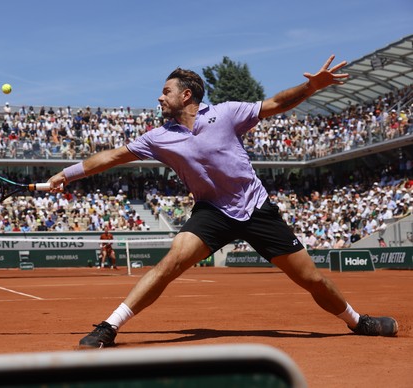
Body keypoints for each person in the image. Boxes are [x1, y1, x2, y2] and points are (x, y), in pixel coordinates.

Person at [47, 55, 398, 349]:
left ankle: (357, 320)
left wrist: (310, 87)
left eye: (165, 92)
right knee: (170, 262)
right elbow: (111, 157)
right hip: (212, 211)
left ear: (186, 95)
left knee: (312, 280)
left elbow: (274, 104)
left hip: (255, 207)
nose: (159, 98)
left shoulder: (227, 113)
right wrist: (68, 173)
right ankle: (110, 327)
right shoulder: (158, 138)